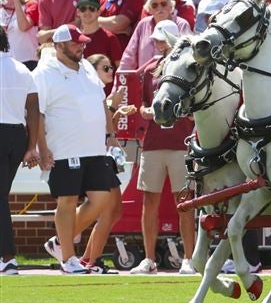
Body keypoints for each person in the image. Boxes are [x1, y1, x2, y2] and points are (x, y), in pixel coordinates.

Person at [30, 24, 119, 274]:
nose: (81, 46)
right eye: (75, 43)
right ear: (58, 46)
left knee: (101, 200)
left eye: (82, 42)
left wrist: (111, 136)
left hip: (95, 148)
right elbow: (37, 113)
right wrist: (42, 148)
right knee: (67, 201)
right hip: (64, 148)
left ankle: (60, 242)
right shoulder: (44, 73)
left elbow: (102, 102)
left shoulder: (88, 68)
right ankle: (68, 257)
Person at [130, 19, 197, 275]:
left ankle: (189, 259)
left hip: (180, 144)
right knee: (149, 201)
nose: (158, 44)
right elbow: (143, 105)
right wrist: (145, 112)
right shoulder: (148, 70)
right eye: (156, 40)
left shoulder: (188, 67)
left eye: (161, 39)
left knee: (185, 202)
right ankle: (148, 260)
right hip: (153, 144)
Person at [0, 26, 39, 275]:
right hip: (17, 136)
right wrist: (31, 146)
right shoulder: (22, 68)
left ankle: (7, 257)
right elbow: (34, 110)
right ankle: (7, 257)